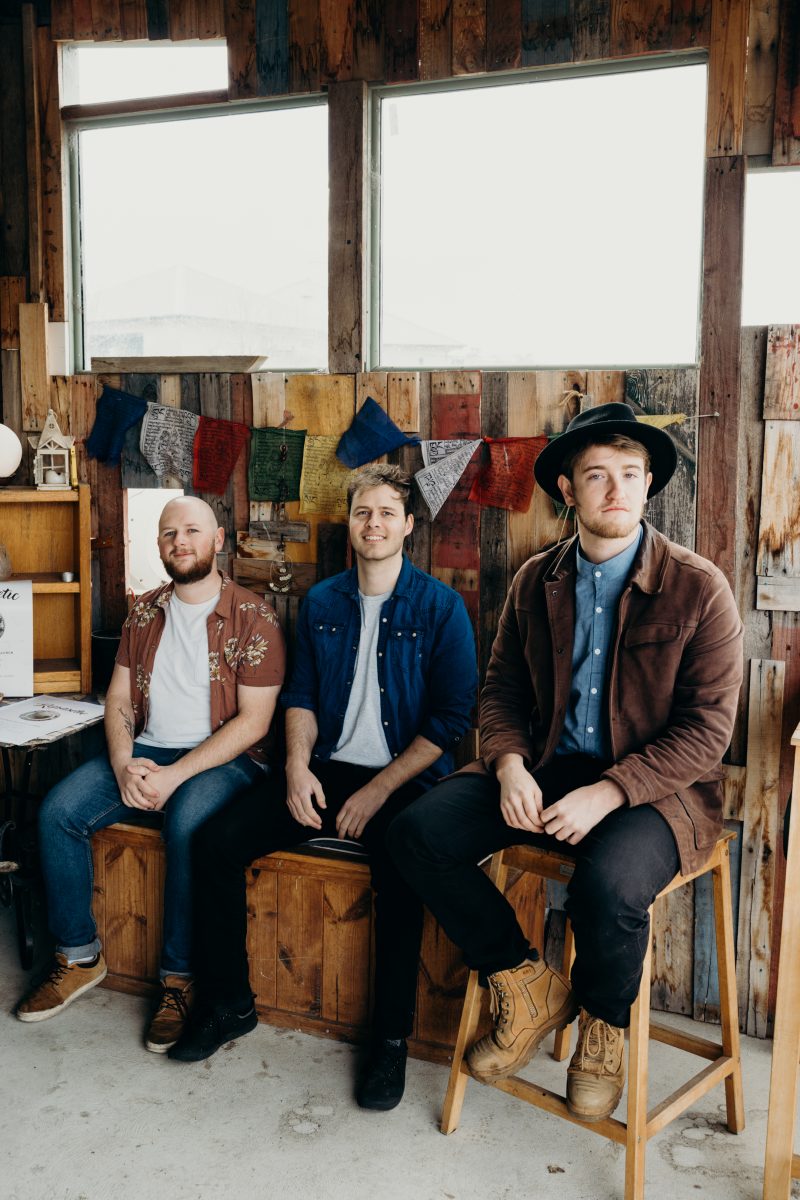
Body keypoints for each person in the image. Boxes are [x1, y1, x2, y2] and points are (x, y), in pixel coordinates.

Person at [388, 403, 743, 1123]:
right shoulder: (536, 579)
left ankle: (603, 1026)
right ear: (567, 492)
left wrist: (613, 791)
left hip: (657, 791)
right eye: (597, 476)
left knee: (607, 887)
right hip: (548, 767)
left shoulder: (697, 586)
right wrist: (511, 764)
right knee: (415, 833)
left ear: (648, 488)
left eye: (630, 475)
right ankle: (524, 982)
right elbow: (502, 691)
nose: (616, 489)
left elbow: (708, 731)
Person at [170, 464, 478, 1113]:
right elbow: (302, 695)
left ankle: (389, 1040)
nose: (374, 524)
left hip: (408, 776)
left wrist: (379, 790)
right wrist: (296, 766)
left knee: (401, 863)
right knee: (217, 841)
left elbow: (451, 720)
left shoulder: (441, 606)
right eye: (364, 513)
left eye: (387, 513)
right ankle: (229, 1003)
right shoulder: (323, 601)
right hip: (328, 767)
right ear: (353, 524)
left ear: (408, 526)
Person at [16, 496, 285, 1055]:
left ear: (218, 541)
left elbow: (255, 722)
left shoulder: (252, 615)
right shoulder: (143, 612)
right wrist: (122, 764)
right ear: (159, 546)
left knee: (187, 822)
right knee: (59, 812)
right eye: (168, 534)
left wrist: (174, 775)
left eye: (192, 531)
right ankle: (79, 955)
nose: (179, 542)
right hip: (146, 750)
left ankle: (178, 980)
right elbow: (117, 699)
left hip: (224, 758)